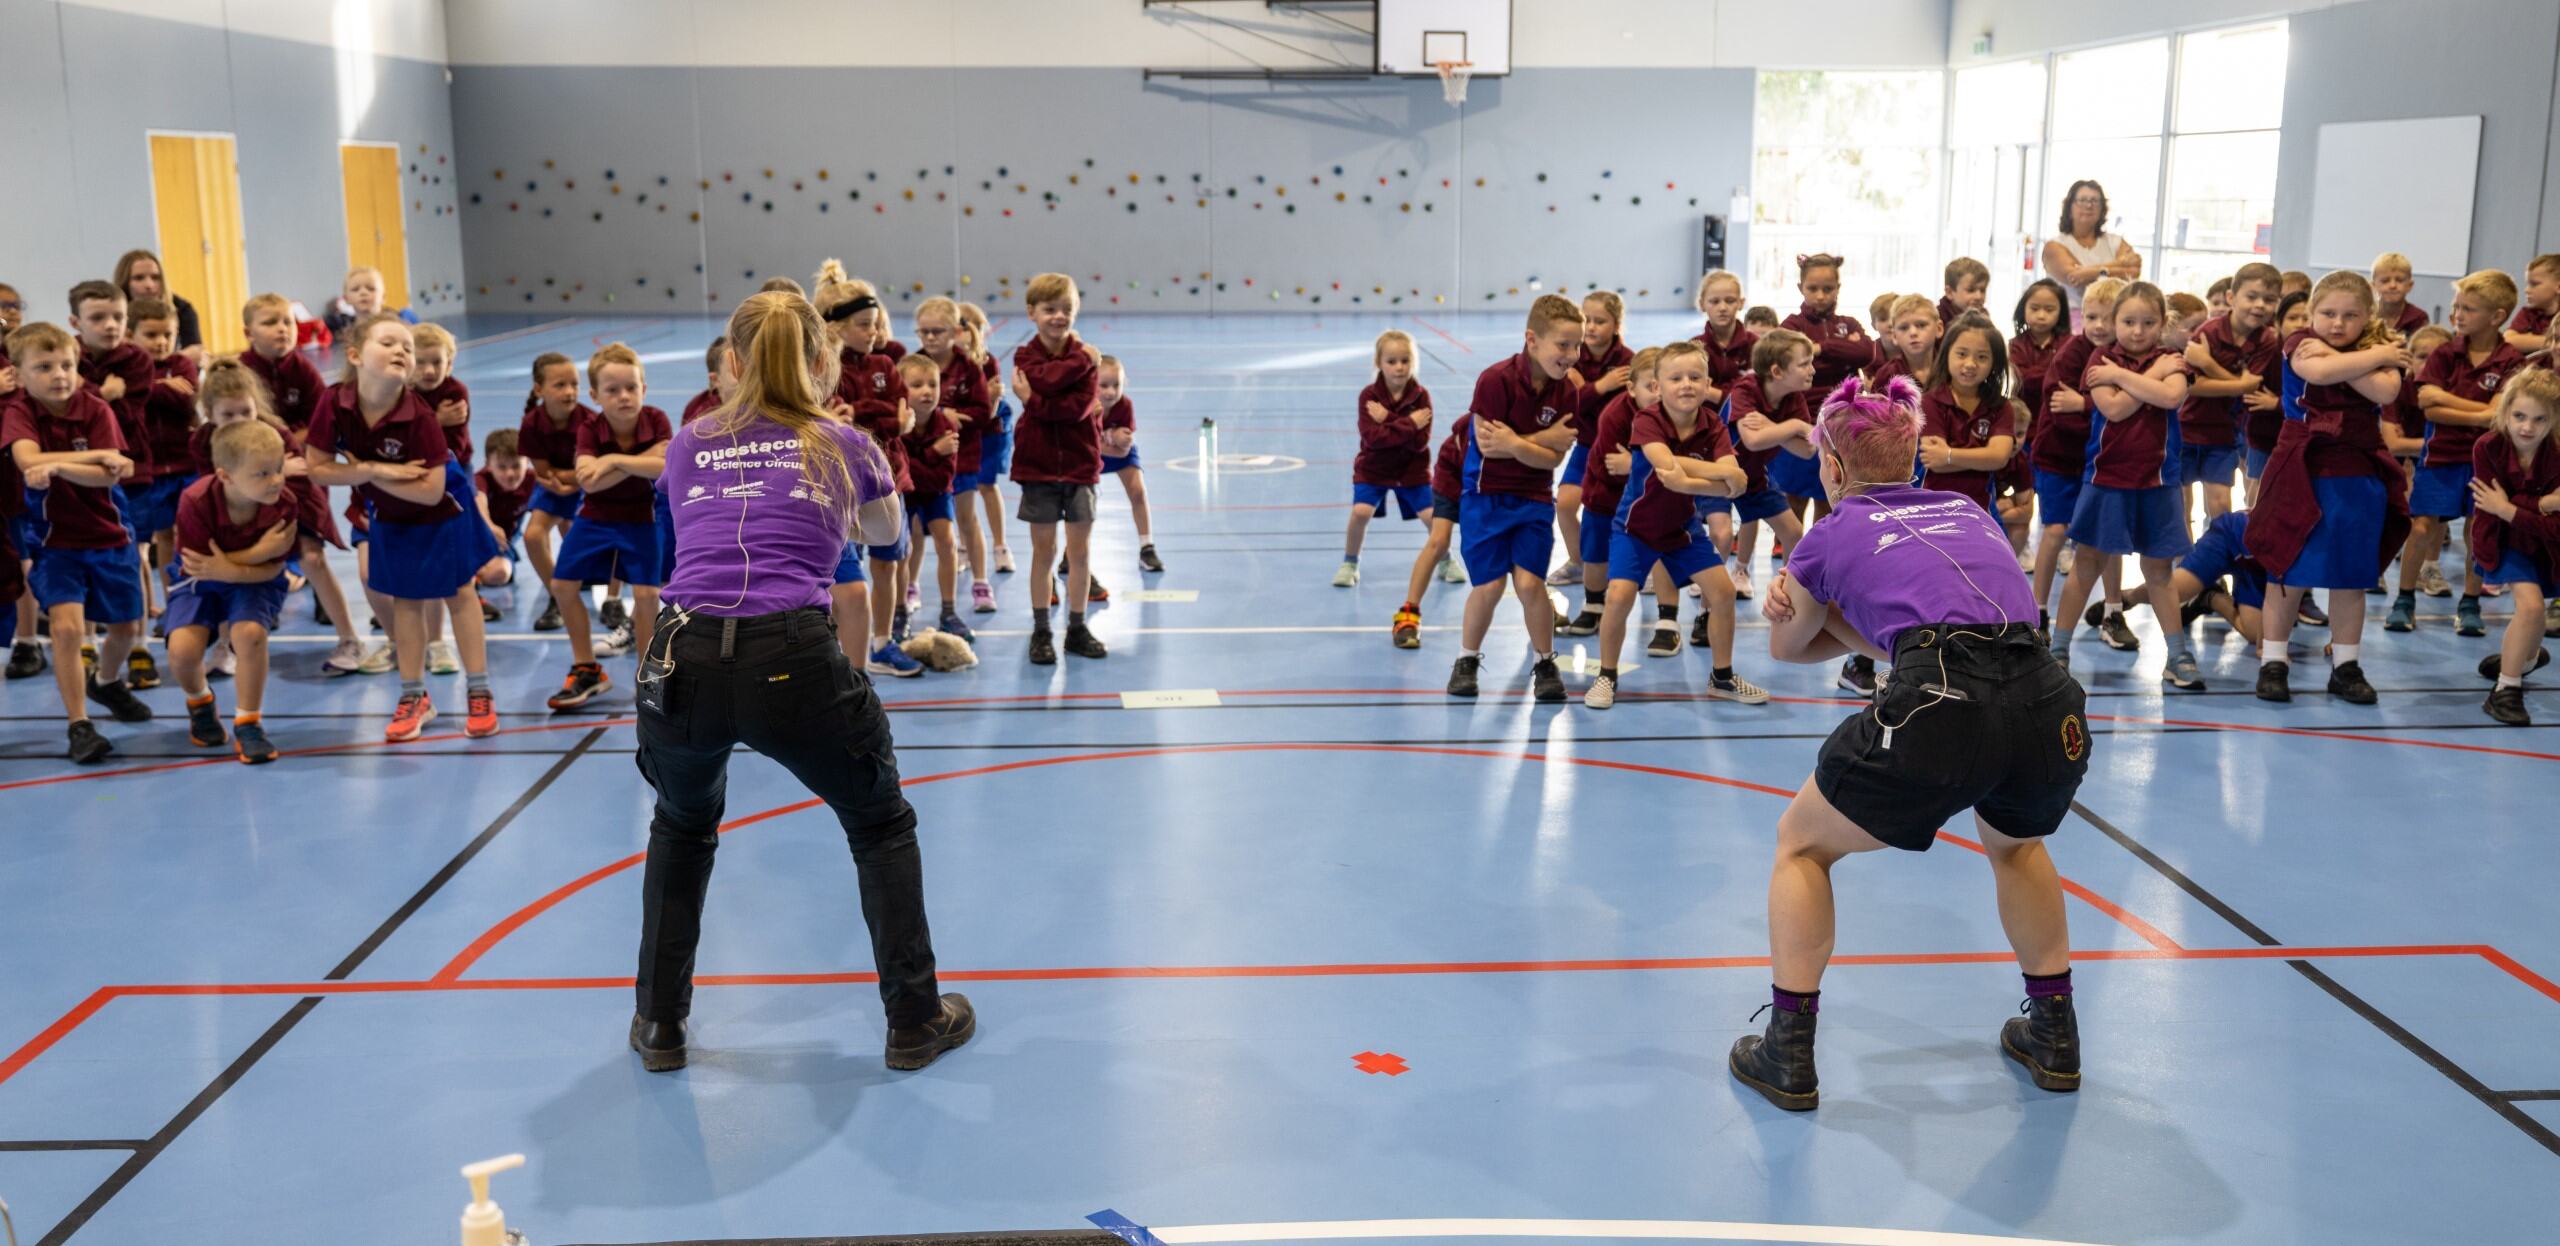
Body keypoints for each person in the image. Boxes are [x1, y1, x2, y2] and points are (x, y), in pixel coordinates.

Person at [629, 289, 972, 1075]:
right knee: (879, 824)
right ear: (824, 361)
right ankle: (915, 1021)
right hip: (790, 656)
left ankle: (659, 1024)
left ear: (736, 363)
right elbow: (888, 537)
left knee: (681, 829)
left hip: (681, 654)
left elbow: (682, 544)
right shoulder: (843, 442)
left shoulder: (688, 443)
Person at [1730, 374, 2088, 1111]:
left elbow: (1788, 649)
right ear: (1913, 463)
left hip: (1941, 702)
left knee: (1801, 845)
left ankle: (1788, 1051)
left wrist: (1802, 597)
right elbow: (1946, 631)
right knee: (2016, 844)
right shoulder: (1965, 508)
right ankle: (2056, 1035)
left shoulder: (1826, 535)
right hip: (2048, 697)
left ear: (1830, 465)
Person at [303, 314, 501, 741]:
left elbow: (430, 492)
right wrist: (379, 471)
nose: (401, 351)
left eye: (407, 347)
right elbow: (317, 468)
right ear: (355, 355)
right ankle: (415, 697)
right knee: (406, 600)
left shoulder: (419, 415)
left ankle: (479, 690)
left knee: (460, 593)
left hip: (445, 510)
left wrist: (360, 472)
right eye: (389, 342)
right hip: (390, 511)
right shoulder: (334, 402)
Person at [2245, 271, 2410, 706]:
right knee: (2286, 570)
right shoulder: (2301, 342)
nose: (2337, 323)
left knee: (2352, 577)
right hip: (2301, 468)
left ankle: (2346, 665)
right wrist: (2376, 353)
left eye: (2350, 315)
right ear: (2312, 313)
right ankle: (2274, 661)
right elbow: (2316, 373)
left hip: (2357, 473)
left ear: (2367, 316)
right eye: (2328, 313)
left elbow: (2385, 386)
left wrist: (2353, 361)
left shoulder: (2367, 350)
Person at [1583, 341, 1762, 710]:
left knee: (1724, 593)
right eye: (1676, 378)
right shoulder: (1647, 420)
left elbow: (1734, 480)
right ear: (1658, 387)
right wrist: (1721, 475)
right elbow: (1671, 473)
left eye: (1695, 377)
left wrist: (1696, 477)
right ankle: (1606, 675)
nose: (1686, 385)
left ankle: (1722, 677)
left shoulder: (1713, 424)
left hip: (1682, 530)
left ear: (1707, 382)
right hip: (1635, 529)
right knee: (1618, 595)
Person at [2, 321, 152, 762]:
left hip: (109, 537)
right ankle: (79, 725)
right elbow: (26, 459)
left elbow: (111, 473)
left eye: (66, 364)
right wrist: (90, 456)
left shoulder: (95, 410)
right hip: (54, 544)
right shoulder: (20, 412)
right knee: (67, 629)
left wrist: (66, 467)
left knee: (124, 628)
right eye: (44, 366)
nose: (59, 374)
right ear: (21, 374)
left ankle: (105, 682)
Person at [2049, 282, 2201, 688]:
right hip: (2106, 480)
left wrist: (2129, 379)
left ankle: (2177, 653)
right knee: (2086, 565)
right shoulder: (2102, 360)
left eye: (2148, 322)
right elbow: (2114, 409)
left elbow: (2171, 399)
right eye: (2129, 322)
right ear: (2114, 322)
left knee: (2159, 571)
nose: (2137, 331)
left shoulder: (2175, 358)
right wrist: (2133, 376)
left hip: (2160, 482)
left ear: (2162, 324)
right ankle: (2059, 650)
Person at [1448, 294, 1583, 702]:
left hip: (1533, 499)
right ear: (1532, 339)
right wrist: (1537, 443)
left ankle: (1545, 662)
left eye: (1576, 346)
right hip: (1484, 496)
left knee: (1530, 584)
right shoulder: (1495, 380)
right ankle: (1467, 659)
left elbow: (1556, 457)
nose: (1571, 355)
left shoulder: (1569, 393)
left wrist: (1517, 442)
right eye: (1563, 344)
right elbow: (1490, 448)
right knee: (1488, 587)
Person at [2394, 270, 2524, 637]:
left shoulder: (2511, 360)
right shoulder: (2444, 353)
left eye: (2468, 309)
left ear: (2497, 316)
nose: (2458, 316)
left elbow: (2496, 417)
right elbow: (2428, 407)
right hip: (2440, 458)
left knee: (2476, 531)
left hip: (2487, 462)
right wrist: (2479, 411)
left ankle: (2469, 603)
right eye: (2456, 308)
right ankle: (2404, 600)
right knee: (2420, 527)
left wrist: (2457, 404)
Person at [545, 343, 669, 712]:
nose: (624, 396)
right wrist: (639, 462)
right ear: (595, 395)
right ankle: (586, 667)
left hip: (643, 517)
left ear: (644, 389)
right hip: (596, 516)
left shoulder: (658, 419)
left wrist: (612, 458)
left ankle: (647, 675)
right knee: (562, 585)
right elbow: (590, 483)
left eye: (631, 387)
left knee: (648, 597)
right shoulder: (589, 427)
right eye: (612, 390)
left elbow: (665, 467)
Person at [166, 420, 294, 763]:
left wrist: (233, 568)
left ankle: (248, 722)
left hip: (257, 580)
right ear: (225, 476)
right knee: (181, 651)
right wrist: (251, 555)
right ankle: (200, 702)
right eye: (262, 473)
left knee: (250, 634)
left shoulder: (284, 503)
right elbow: (199, 566)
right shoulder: (194, 501)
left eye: (279, 468)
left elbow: (274, 568)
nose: (276, 480)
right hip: (199, 580)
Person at [1010, 273, 1109, 664]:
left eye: (1067, 309)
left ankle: (1078, 627)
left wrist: (1034, 400)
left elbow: (1077, 409)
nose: (1059, 316)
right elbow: (1048, 381)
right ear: (1032, 312)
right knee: (1043, 553)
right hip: (1037, 468)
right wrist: (1080, 362)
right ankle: (1041, 630)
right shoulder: (1025, 357)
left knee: (1080, 553)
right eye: (1050, 309)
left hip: (1081, 466)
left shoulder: (1089, 358)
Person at [2469, 370, 2560, 724]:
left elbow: (2551, 525)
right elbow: (2489, 506)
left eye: (2540, 419)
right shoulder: (2487, 447)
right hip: (2502, 540)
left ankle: (2524, 658)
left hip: (2548, 545)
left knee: (2534, 615)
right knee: (2532, 607)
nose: (2527, 427)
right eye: (2519, 416)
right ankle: (2505, 690)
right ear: (2505, 412)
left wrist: (2511, 507)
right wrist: (2542, 504)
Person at [2179, 263, 2283, 527]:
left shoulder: (2267, 339)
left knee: (2221, 506)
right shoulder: (2209, 331)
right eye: (2252, 297)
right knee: (2180, 508)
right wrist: (2240, 385)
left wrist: (2209, 365)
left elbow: (2251, 385)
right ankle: (2184, 565)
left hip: (2224, 434)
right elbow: (2191, 384)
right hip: (2186, 429)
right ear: (2231, 298)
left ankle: (2215, 562)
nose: (2260, 305)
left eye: (2269, 300)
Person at [913, 299, 997, 613]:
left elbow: (982, 413)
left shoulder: (969, 368)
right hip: (923, 460)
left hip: (962, 458)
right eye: (924, 332)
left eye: (938, 331)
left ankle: (981, 583)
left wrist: (954, 415)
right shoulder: (912, 365)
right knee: (918, 526)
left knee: (966, 519)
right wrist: (939, 412)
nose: (931, 338)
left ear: (956, 332)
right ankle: (911, 586)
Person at [1341, 330, 1433, 586]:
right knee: (1360, 513)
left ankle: (1445, 559)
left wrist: (1389, 420)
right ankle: (1350, 562)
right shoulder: (1369, 397)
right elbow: (1374, 439)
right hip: (1374, 468)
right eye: (1391, 361)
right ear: (1378, 363)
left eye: (1405, 361)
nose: (1399, 367)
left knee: (1433, 518)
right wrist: (1408, 424)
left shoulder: (1421, 396)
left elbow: (1420, 442)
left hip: (1411, 470)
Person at [1551, 292, 1630, 587]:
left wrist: (1585, 390)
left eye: (1600, 321)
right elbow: (1566, 404)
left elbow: (1625, 411)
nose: (1592, 327)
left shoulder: (1627, 362)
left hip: (1617, 450)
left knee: (1625, 511)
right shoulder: (1571, 356)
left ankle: (1639, 565)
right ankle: (1578, 562)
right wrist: (1599, 387)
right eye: (1587, 320)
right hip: (1586, 447)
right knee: (1565, 505)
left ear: (1616, 324)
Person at [894, 352, 973, 642]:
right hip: (906, 494)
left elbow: (942, 478)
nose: (927, 391)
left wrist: (923, 463)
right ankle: (899, 610)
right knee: (904, 548)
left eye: (933, 384)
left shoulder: (947, 426)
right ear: (901, 389)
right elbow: (903, 474)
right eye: (917, 385)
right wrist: (932, 454)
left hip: (936, 493)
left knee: (947, 541)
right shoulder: (898, 426)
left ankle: (949, 611)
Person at [1917, 312, 2018, 516]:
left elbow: (1998, 458)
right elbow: (1934, 462)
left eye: (1982, 357)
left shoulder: (2000, 406)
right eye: (1962, 354)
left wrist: (1949, 454)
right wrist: (1980, 456)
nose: (1970, 364)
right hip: (1934, 505)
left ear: (1994, 363)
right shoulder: (1931, 401)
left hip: (1979, 508)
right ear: (1947, 354)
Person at [517, 352, 589, 632]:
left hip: (588, 488)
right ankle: (559, 597)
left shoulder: (590, 421)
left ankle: (612, 598)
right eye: (560, 385)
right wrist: (570, 478)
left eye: (574, 384)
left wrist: (576, 480)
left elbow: (593, 470)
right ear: (539, 389)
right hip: (552, 489)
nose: (570, 392)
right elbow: (544, 473)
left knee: (585, 535)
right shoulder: (531, 424)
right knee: (533, 535)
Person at [1391, 420, 1470, 649]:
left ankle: (1540, 607)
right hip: (1456, 476)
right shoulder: (1483, 412)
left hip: (1504, 482)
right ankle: (1409, 612)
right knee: (1438, 541)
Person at [2041, 179, 2142, 324]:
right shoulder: (2055, 245)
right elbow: (2075, 277)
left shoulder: (2115, 241)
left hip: (2114, 317)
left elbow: (2133, 271)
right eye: (2082, 200)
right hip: (2069, 319)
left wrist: (2091, 272)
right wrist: (2119, 265)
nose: (2089, 206)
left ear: (2102, 208)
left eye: (2095, 201)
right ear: (2069, 207)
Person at [1095, 355, 1161, 573]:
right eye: (1103, 385)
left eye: (1117, 385)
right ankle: (1070, 553)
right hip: (1091, 454)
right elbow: (1085, 444)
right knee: (1082, 501)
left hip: (1118, 452)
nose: (1111, 392)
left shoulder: (1125, 405)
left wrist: (1115, 441)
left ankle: (1147, 547)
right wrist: (1112, 436)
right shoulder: (1086, 406)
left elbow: (1124, 449)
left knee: (1138, 492)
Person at [113, 249, 205, 366]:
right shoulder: (112, 315)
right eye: (139, 278)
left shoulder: (182, 309)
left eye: (155, 277)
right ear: (124, 282)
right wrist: (179, 358)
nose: (149, 285)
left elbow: (196, 356)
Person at [2372, 252, 2429, 338]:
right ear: (2374, 286)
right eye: (2385, 281)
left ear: (2410, 286)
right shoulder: (2366, 316)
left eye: (2399, 280)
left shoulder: (2418, 317)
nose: (2393, 286)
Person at [1940, 257, 1990, 325]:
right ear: (1950, 292)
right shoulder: (1937, 319)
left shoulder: (1984, 318)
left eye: (1982, 290)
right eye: (1971, 290)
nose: (1979, 296)